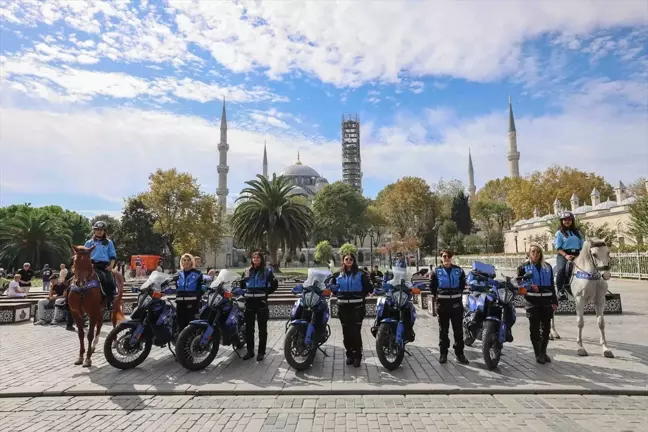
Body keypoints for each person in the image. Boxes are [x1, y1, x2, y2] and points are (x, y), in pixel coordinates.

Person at [329, 252, 373, 367]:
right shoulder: (337, 274)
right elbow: (331, 286)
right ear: (343, 261)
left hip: (357, 307)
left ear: (354, 261)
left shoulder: (360, 274)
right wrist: (337, 292)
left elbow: (369, 287)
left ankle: (357, 356)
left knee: (355, 333)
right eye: (346, 259)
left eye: (351, 259)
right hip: (343, 307)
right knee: (346, 333)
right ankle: (349, 355)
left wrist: (361, 295)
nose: (348, 261)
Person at [518, 244, 558, 364]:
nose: (536, 254)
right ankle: (538, 354)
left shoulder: (548, 267)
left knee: (546, 329)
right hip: (532, 302)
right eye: (533, 252)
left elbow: (551, 285)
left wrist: (554, 301)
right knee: (534, 329)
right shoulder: (523, 267)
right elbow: (519, 285)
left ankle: (543, 352)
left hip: (546, 301)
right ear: (529, 253)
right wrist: (529, 286)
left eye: (538, 252)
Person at [430, 250, 469, 364]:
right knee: (443, 331)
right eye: (444, 256)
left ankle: (460, 354)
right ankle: (443, 354)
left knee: (458, 331)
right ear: (441, 258)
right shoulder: (436, 271)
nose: (447, 258)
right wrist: (439, 297)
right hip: (443, 305)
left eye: (449, 256)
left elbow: (462, 285)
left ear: (452, 258)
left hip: (456, 304)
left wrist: (456, 295)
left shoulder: (459, 270)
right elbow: (432, 286)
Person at [240, 251, 278, 361]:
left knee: (262, 328)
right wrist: (244, 292)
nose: (255, 259)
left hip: (261, 302)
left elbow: (275, 285)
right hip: (249, 301)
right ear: (252, 259)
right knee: (249, 328)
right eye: (254, 257)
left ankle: (261, 352)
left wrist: (266, 293)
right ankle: (250, 351)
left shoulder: (267, 271)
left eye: (258, 257)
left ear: (261, 259)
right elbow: (242, 285)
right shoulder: (247, 271)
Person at [84, 221, 118, 310]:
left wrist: (111, 266)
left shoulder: (109, 242)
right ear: (94, 231)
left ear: (104, 231)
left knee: (110, 281)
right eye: (97, 230)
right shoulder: (88, 243)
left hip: (104, 266)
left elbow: (113, 256)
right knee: (75, 279)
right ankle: (68, 302)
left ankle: (110, 300)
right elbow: (84, 255)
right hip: (91, 265)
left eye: (101, 230)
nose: (99, 231)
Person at [169, 253, 204, 333]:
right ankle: (180, 343)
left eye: (188, 260)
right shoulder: (178, 274)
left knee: (190, 323)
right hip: (180, 302)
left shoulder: (198, 273)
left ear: (192, 262)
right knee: (180, 323)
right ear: (181, 262)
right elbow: (175, 286)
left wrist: (198, 296)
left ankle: (191, 342)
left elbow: (200, 288)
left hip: (192, 302)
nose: (186, 262)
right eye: (184, 260)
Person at [553, 211, 584, 299]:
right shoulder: (559, 233)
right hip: (564, 255)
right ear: (562, 221)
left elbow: (582, 244)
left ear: (572, 221)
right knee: (562, 269)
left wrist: (580, 255)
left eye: (569, 219)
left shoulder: (577, 232)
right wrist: (566, 255)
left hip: (578, 254)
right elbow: (558, 247)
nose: (567, 221)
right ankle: (560, 291)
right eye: (565, 220)